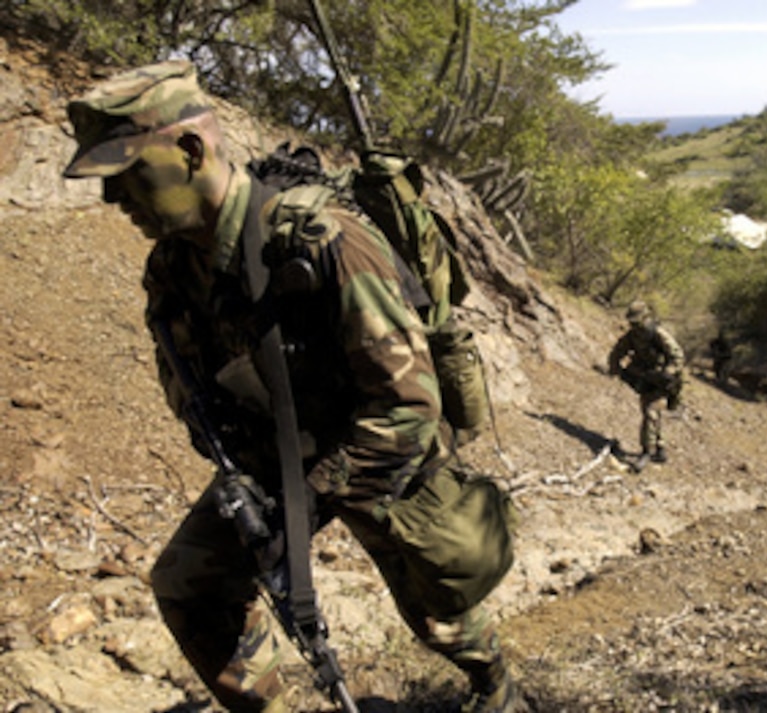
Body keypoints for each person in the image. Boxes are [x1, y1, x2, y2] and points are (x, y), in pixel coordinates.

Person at [63, 60, 519, 713]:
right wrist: (248, 484)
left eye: (128, 173)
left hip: (370, 443)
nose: (114, 199)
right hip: (273, 453)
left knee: (439, 608)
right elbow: (186, 382)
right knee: (188, 581)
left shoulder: (325, 240)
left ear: (190, 150)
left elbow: (410, 403)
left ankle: (495, 685)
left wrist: (310, 496)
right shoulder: (171, 268)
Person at [608, 300, 686, 472]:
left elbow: (678, 356)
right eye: (631, 322)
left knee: (650, 411)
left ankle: (646, 452)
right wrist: (615, 369)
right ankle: (659, 448)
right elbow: (617, 351)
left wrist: (668, 372)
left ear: (645, 317)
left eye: (636, 321)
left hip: (661, 380)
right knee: (652, 412)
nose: (633, 325)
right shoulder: (632, 336)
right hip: (645, 379)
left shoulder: (657, 333)